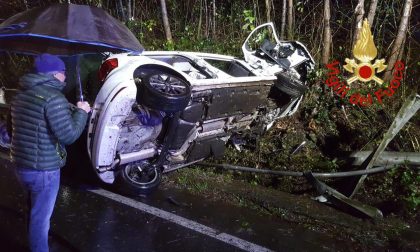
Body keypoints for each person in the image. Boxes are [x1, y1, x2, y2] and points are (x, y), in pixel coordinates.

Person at [9, 53, 91, 252]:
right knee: (41, 218)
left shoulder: (20, 94)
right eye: (63, 72)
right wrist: (82, 112)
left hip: (21, 165)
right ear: (55, 75)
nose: (65, 77)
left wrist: (70, 110)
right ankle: (39, 248)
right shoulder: (54, 98)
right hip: (44, 170)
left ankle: (38, 241)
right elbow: (68, 135)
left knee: (32, 209)